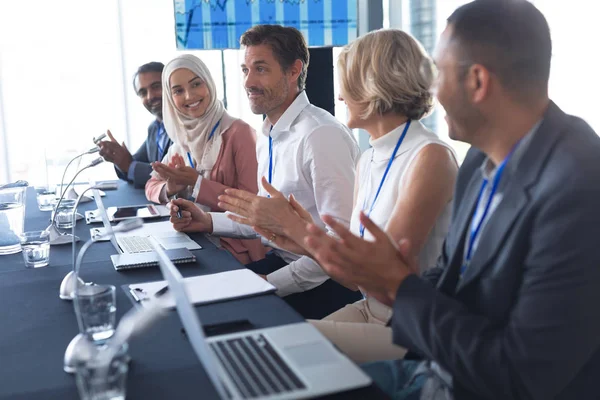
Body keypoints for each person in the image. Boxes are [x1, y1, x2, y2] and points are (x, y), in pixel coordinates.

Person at [296, 1, 600, 399]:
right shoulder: (480, 158)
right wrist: (393, 283)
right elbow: (450, 277)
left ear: (477, 82)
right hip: (439, 365)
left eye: (438, 73)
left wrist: (399, 287)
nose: (431, 90)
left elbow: (520, 376)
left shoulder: (578, 189)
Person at [217, 29, 458, 363]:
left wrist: (301, 232)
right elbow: (349, 276)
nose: (341, 96)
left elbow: (384, 280)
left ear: (376, 84)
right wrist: (296, 237)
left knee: (275, 351)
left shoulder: (429, 157)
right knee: (257, 343)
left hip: (410, 327)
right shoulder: (369, 158)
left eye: (348, 82)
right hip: (369, 309)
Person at [169, 25, 362, 319]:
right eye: (245, 70)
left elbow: (340, 245)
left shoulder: (320, 136)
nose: (248, 81)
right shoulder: (270, 133)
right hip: (283, 265)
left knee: (217, 316)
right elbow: (262, 218)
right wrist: (207, 221)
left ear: (294, 71)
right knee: (191, 299)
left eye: (260, 69)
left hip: (327, 283)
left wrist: (270, 284)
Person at [148, 54, 265, 265]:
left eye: (196, 84)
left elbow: (251, 205)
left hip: (236, 249)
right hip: (196, 241)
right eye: (178, 91)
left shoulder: (240, 133)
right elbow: (151, 185)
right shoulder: (180, 140)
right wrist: (170, 188)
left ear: (208, 83)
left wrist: (197, 184)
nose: (189, 96)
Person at [98, 62, 172, 188]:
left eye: (156, 87)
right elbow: (136, 162)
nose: (150, 96)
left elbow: (171, 175)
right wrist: (118, 157)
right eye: (143, 92)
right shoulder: (155, 128)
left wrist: (128, 165)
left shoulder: (187, 126)